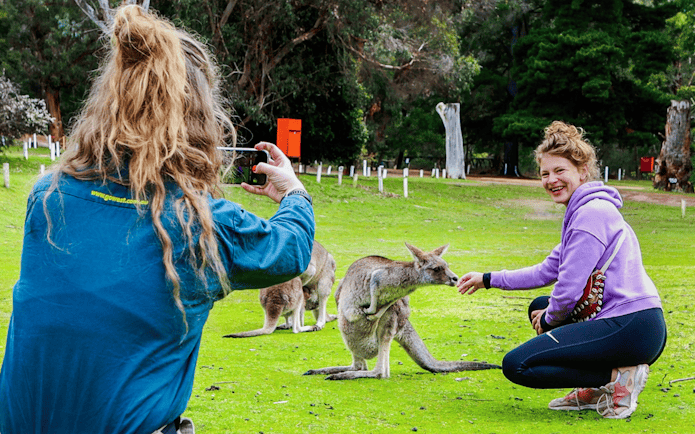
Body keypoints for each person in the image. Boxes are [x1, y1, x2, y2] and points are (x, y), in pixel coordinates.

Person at [0, 5, 314, 434]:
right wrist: (293, 191)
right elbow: (292, 249)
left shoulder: (48, 197)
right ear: (198, 119)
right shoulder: (197, 224)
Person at [457, 121, 666, 419]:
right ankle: (602, 387)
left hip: (632, 327)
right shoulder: (586, 211)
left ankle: (616, 378)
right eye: (545, 173)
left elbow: (567, 292)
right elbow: (546, 271)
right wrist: (487, 279)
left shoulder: (590, 215)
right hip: (635, 325)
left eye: (560, 171)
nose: (551, 180)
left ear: (582, 172)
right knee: (538, 305)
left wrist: (550, 319)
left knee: (517, 364)